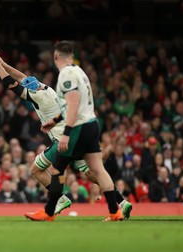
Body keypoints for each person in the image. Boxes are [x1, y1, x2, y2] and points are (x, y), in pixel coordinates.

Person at [0, 49, 132, 220]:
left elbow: (11, 83)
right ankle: (121, 203)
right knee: (91, 172)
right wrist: (3, 63)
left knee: (38, 169)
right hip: (79, 133)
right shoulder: (47, 89)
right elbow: (21, 77)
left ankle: (59, 201)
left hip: (62, 140)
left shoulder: (39, 97)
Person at [26, 41, 122, 221]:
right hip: (92, 124)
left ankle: (48, 212)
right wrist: (54, 121)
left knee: (55, 170)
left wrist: (67, 133)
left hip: (78, 128)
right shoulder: (80, 72)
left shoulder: (66, 74)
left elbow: (73, 103)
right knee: (98, 170)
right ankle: (114, 212)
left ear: (55, 57)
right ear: (71, 55)